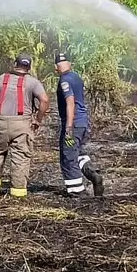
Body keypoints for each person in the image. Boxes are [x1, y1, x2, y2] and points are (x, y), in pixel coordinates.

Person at [0, 53, 50, 198]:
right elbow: (44, 100)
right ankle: (18, 193)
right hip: (22, 124)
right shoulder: (33, 82)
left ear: (15, 64)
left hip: (0, 122)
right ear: (29, 67)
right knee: (21, 157)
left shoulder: (2, 78)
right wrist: (38, 119)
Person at [53, 51, 105, 197]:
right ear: (69, 64)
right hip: (83, 124)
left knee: (68, 156)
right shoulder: (76, 77)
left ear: (55, 67)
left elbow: (70, 102)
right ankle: (93, 175)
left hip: (73, 125)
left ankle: (77, 190)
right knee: (78, 152)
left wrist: (68, 128)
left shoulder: (64, 81)